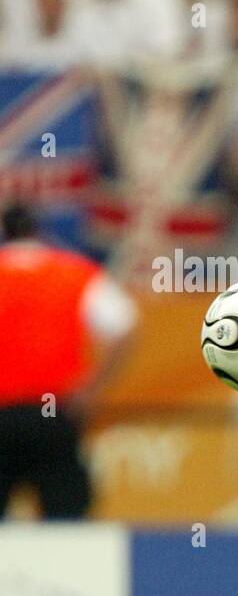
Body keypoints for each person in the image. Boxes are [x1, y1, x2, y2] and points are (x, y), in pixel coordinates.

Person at [0, 203, 135, 518]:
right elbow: (125, 328)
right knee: (67, 515)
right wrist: (92, 389)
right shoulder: (74, 273)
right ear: (39, 232)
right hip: (53, 413)